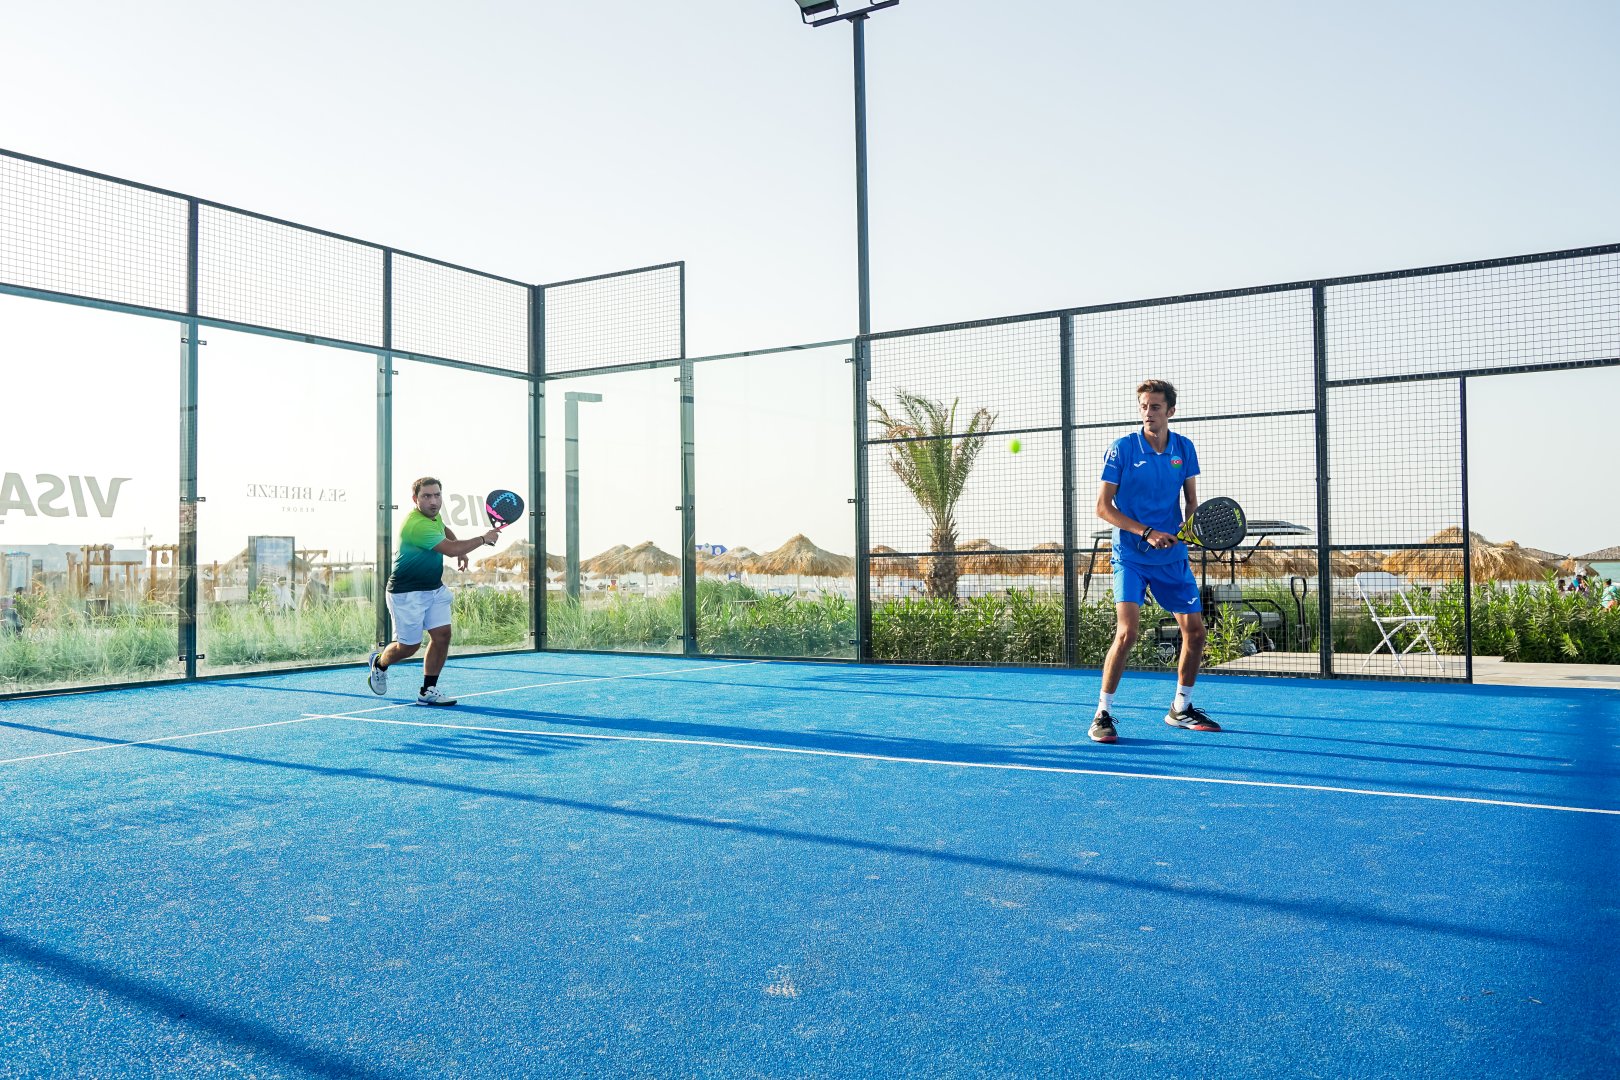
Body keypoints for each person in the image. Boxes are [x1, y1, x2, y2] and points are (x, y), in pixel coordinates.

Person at [1089, 378, 1219, 744]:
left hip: (1172, 557)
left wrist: (1191, 532)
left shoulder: (1184, 448)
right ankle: (1103, 713)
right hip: (1131, 555)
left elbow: (1192, 502)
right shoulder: (1122, 449)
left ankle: (1180, 708)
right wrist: (1146, 532)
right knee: (1127, 632)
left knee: (1195, 633)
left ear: (1170, 411)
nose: (1148, 412)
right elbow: (1103, 507)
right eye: (1144, 406)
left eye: (1156, 406)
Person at [367, 477, 500, 705]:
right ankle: (379, 663)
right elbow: (448, 549)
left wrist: (461, 549)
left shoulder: (433, 516)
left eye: (437, 495)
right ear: (415, 499)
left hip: (434, 589)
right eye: (426, 496)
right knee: (408, 647)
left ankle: (427, 690)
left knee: (442, 636)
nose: (433, 501)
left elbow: (444, 529)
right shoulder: (416, 525)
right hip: (406, 593)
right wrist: (482, 539)